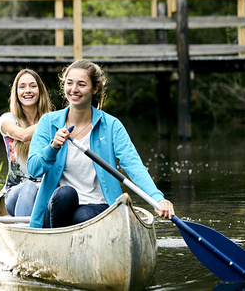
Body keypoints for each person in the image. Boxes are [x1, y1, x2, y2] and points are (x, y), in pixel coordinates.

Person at [27, 59, 175, 228]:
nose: (74, 89)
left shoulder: (111, 125)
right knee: (65, 194)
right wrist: (52, 148)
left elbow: (133, 165)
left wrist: (158, 198)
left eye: (81, 84)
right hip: (58, 209)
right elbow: (33, 169)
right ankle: (57, 242)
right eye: (69, 83)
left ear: (95, 88)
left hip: (97, 207)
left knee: (82, 216)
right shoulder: (48, 122)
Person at [0, 69, 54, 217]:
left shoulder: (53, 120)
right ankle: (23, 232)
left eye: (32, 86)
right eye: (22, 86)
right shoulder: (7, 119)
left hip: (45, 192)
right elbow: (22, 135)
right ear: (16, 92)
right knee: (28, 186)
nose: (27, 90)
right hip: (15, 193)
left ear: (40, 91)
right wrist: (52, 123)